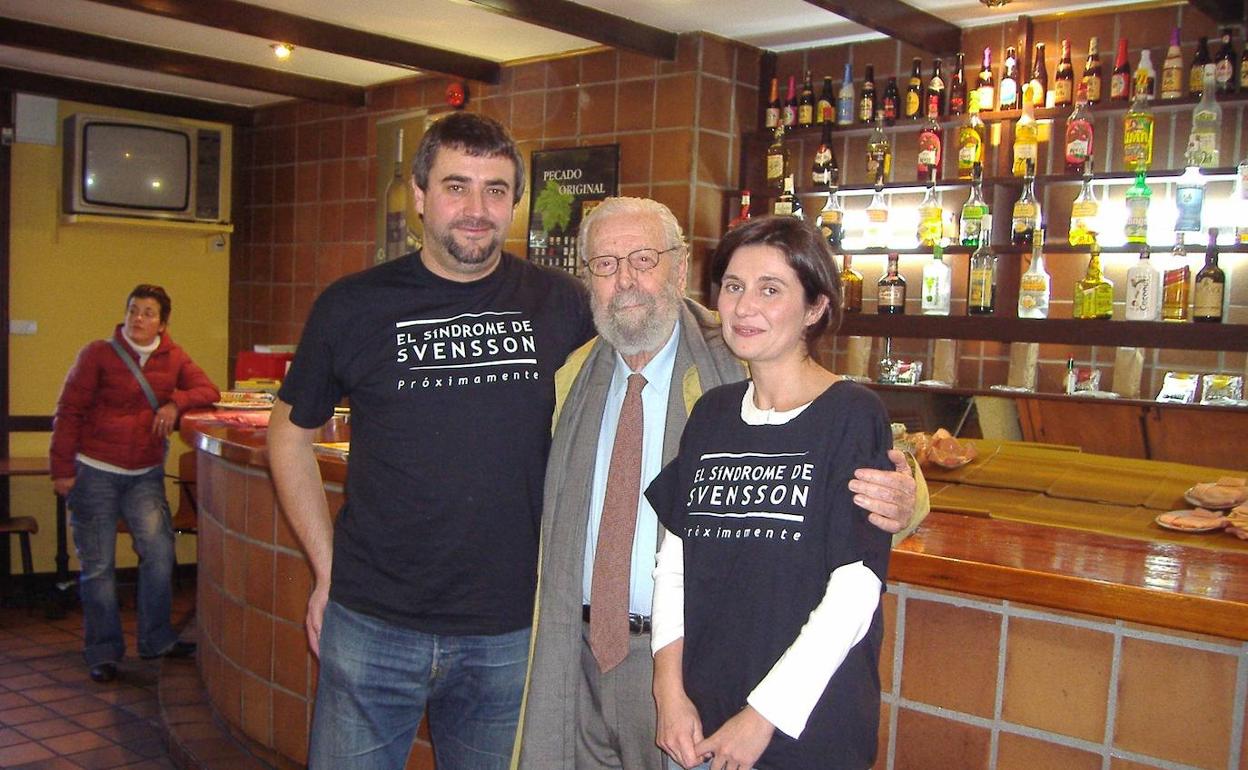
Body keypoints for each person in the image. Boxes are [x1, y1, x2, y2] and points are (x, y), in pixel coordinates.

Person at [516, 199, 926, 770]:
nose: (625, 279)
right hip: (590, 656)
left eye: (642, 258)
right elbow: (676, 555)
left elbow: (872, 488)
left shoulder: (741, 352)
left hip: (748, 692)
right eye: (605, 265)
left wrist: (908, 495)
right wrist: (670, 686)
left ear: (680, 270)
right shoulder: (576, 373)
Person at [267, 112, 595, 770]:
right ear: (419, 197)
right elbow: (288, 437)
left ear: (515, 203)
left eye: (496, 190)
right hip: (372, 621)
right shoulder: (353, 306)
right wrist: (327, 570)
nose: (477, 210)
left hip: (510, 631)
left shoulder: (563, 304)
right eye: (456, 186)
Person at [646, 215, 894, 770]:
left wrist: (762, 717)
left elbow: (855, 590)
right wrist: (668, 690)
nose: (743, 305)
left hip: (806, 728)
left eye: (771, 289)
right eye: (733, 286)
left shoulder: (852, 415)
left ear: (815, 308)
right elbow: (675, 564)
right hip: (700, 720)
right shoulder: (712, 414)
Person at [50, 284, 219, 684]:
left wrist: (175, 402)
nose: (138, 318)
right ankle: (104, 652)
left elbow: (208, 390)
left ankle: (156, 639)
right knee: (98, 568)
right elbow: (69, 411)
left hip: (144, 474)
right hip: (95, 473)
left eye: (147, 312)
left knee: (160, 554)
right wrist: (62, 469)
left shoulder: (173, 357)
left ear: (163, 322)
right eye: (133, 310)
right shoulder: (98, 354)